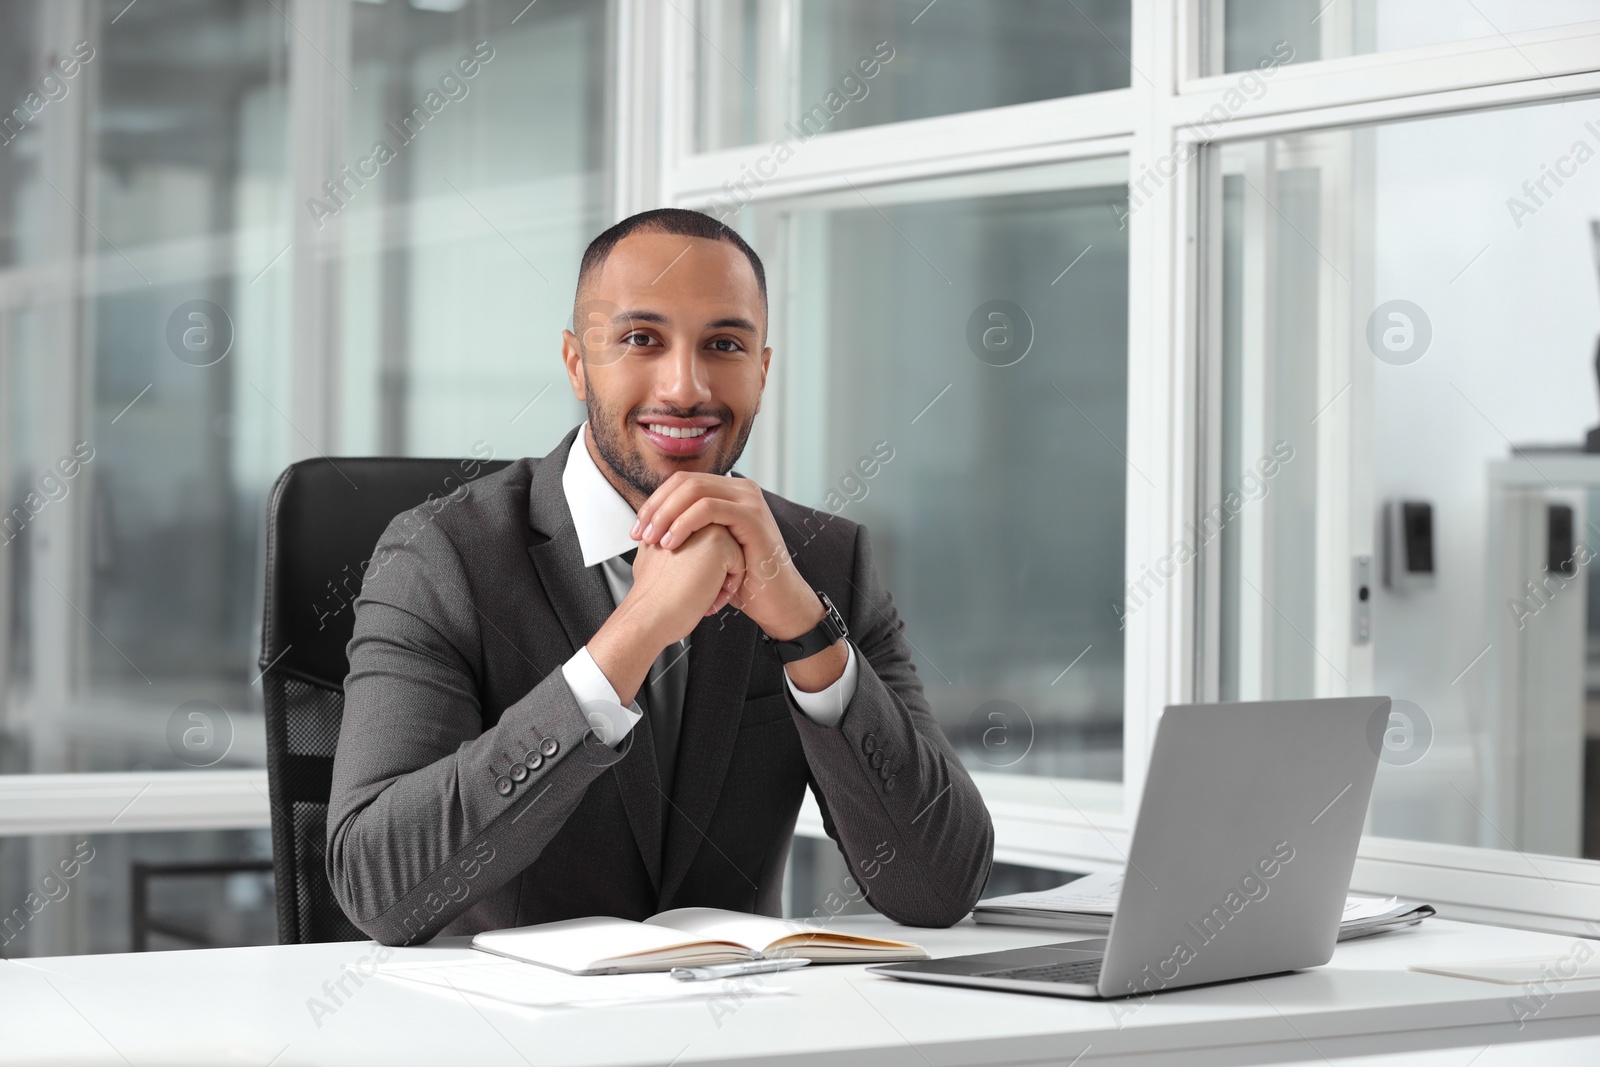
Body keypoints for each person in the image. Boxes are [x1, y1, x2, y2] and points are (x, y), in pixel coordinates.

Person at [327, 208, 993, 946]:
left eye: (724, 344)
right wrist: (636, 631)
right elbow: (378, 886)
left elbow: (940, 887)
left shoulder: (828, 561)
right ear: (577, 361)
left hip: (732, 1033)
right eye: (641, 339)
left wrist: (806, 629)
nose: (685, 386)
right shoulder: (440, 556)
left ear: (762, 372)